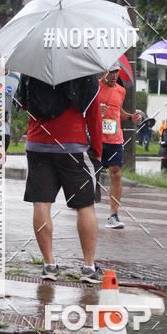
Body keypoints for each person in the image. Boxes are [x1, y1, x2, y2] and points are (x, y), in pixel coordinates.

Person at [20, 74, 103, 283]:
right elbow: (94, 115)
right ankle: (88, 267)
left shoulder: (32, 69)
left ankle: (49, 265)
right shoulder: (84, 72)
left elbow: (23, 104)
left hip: (37, 143)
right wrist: (98, 150)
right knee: (85, 204)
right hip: (71, 145)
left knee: (41, 203)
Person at [95, 65, 142, 228]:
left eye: (116, 72)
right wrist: (96, 111)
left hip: (115, 139)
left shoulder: (121, 91)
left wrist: (130, 117)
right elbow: (83, 110)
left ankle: (113, 215)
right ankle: (84, 210)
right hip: (96, 138)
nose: (114, 75)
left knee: (116, 174)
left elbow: (118, 111)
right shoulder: (94, 88)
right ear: (103, 71)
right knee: (90, 174)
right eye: (111, 71)